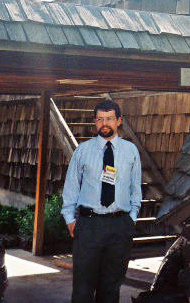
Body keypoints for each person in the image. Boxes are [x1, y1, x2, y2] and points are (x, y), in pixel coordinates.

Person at [61, 100, 142, 303]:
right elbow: (71, 187)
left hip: (119, 225)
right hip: (89, 225)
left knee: (111, 288)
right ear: (95, 122)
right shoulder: (83, 151)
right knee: (82, 289)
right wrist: (70, 219)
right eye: (100, 119)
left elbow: (135, 187)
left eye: (109, 119)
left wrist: (132, 217)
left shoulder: (131, 150)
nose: (104, 123)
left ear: (118, 121)